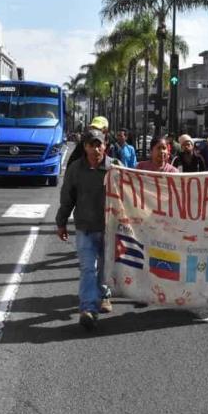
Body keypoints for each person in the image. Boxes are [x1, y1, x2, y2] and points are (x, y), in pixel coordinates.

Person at [55, 129, 122, 330]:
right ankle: (88, 309)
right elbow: (67, 198)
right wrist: (61, 222)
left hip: (109, 229)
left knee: (104, 267)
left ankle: (103, 296)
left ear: (105, 146)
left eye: (99, 144)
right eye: (91, 144)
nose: (96, 148)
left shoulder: (115, 168)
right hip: (85, 227)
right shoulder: (75, 169)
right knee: (87, 268)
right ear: (85, 147)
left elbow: (131, 195)